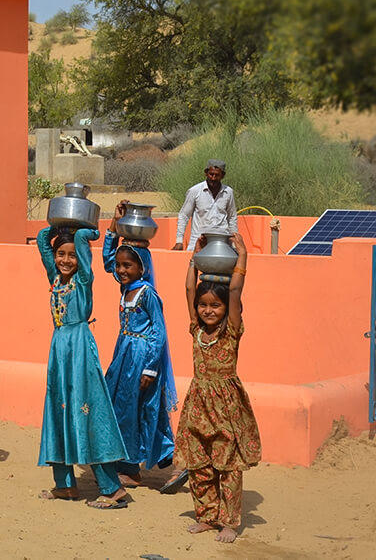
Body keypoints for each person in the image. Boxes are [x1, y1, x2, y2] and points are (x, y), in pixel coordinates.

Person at [35, 226, 132, 509]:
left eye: (72, 256)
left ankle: (112, 488)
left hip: (79, 351)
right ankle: (64, 486)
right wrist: (58, 226)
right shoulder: (55, 278)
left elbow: (83, 252)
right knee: (58, 412)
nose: (66, 260)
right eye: (60, 255)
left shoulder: (83, 278)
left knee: (87, 411)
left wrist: (82, 234)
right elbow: (42, 241)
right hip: (59, 351)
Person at [176, 231, 261, 543]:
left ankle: (229, 522)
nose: (208, 310)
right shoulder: (196, 330)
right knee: (198, 465)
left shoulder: (231, 333)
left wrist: (243, 258)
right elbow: (188, 288)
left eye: (215, 306)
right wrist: (193, 259)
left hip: (225, 408)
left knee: (228, 466)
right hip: (198, 405)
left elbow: (235, 291)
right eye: (203, 305)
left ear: (226, 309)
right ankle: (207, 517)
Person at [101, 202, 177, 489]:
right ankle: (129, 466)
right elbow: (108, 262)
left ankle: (164, 461)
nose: (121, 269)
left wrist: (150, 369)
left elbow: (158, 332)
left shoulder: (147, 294)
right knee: (123, 408)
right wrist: (113, 227)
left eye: (127, 265)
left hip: (141, 359)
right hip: (124, 354)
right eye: (120, 265)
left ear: (141, 266)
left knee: (144, 409)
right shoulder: (126, 288)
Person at [171, 159, 237, 251]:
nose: (213, 178)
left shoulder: (228, 192)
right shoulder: (195, 191)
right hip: (198, 243)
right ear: (206, 173)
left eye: (217, 175)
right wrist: (179, 241)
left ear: (222, 176)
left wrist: (234, 243)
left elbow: (232, 217)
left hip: (221, 244)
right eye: (211, 174)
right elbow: (184, 215)